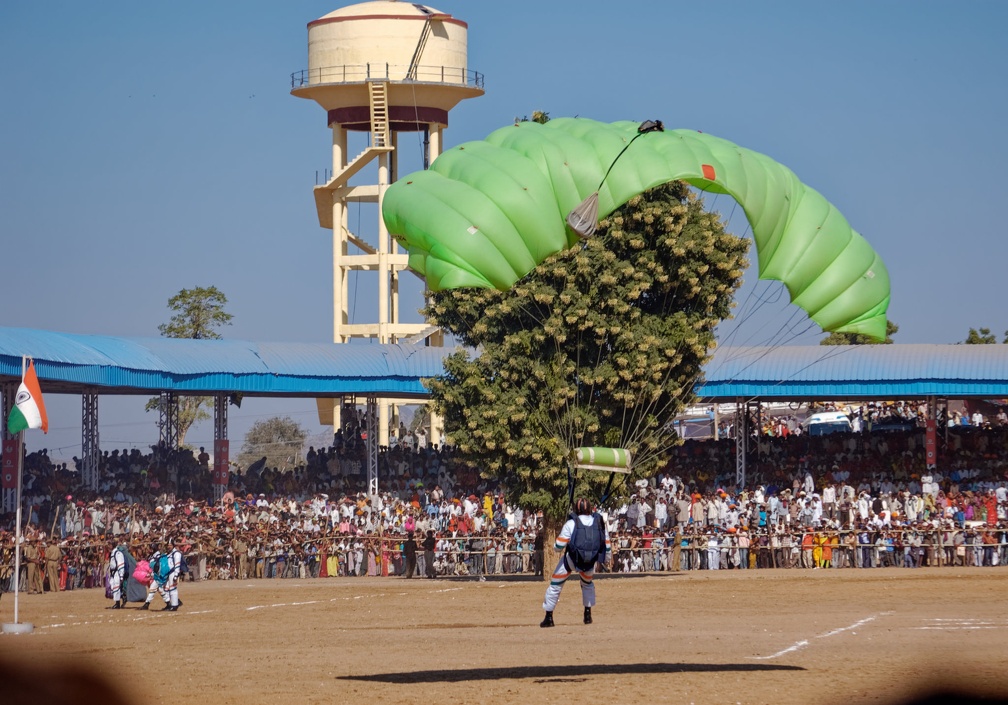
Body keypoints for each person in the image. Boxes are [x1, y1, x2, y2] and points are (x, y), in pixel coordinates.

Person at [540, 497, 610, 628]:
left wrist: (558, 541)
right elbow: (606, 544)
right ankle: (587, 615)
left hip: (571, 561)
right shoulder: (598, 522)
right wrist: (606, 559)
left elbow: (558, 546)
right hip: (590, 562)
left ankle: (548, 617)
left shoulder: (571, 523)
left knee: (555, 585)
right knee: (587, 584)